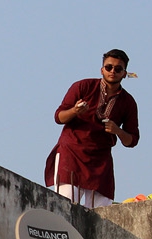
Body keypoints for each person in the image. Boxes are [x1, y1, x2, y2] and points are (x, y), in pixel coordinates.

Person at [44, 49, 140, 208]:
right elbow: (59, 117)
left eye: (118, 69)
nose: (112, 72)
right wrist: (75, 111)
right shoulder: (83, 86)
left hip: (100, 160)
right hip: (72, 153)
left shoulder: (128, 102)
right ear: (102, 69)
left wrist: (118, 131)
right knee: (65, 206)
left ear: (124, 73)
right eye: (109, 67)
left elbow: (132, 140)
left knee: (101, 213)